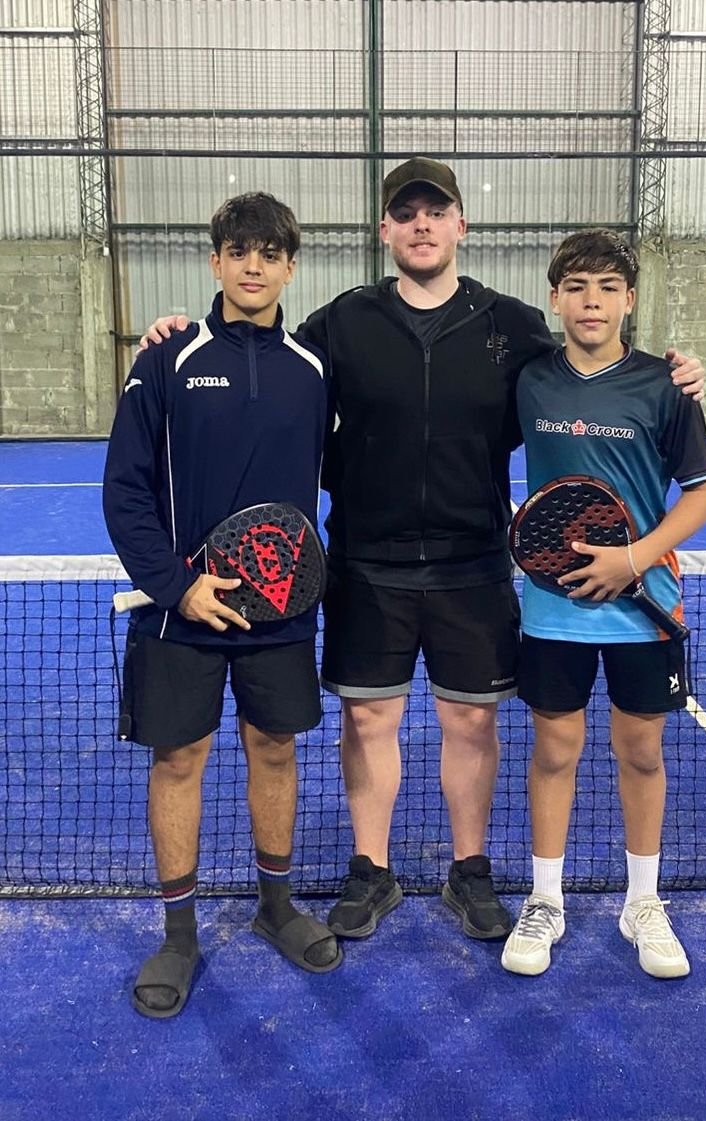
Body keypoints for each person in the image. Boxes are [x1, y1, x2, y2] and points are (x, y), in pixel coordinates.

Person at [139, 159, 706, 946]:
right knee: (369, 719)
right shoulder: (341, 323)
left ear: (459, 226)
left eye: (434, 212)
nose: (420, 225)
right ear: (385, 230)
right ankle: (370, 869)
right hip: (366, 562)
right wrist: (176, 333)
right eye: (404, 213)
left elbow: (588, 366)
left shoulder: (513, 327)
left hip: (472, 562)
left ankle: (468, 869)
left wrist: (677, 370)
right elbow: (260, 364)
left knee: (470, 723)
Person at [103, 192, 341, 1020]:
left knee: (274, 747)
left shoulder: (313, 369)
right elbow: (125, 489)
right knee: (178, 760)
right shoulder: (165, 360)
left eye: (269, 253)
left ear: (290, 267)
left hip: (280, 609)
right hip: (180, 613)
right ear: (214, 262)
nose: (252, 266)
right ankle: (178, 935)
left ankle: (276, 906)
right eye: (238, 251)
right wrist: (180, 586)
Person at [501, 229, 706, 980]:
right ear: (554, 299)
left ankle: (642, 902)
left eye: (606, 288)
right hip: (552, 606)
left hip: (643, 604)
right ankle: (545, 899)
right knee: (553, 751)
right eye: (576, 287)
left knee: (641, 751)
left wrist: (632, 558)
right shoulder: (530, 379)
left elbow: (702, 496)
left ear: (629, 299)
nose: (590, 301)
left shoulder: (665, 384)